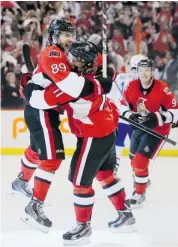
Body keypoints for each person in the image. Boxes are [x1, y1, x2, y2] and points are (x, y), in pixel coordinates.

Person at [24, 41, 136, 245]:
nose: (68, 60)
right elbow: (104, 65)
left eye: (73, 59)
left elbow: (38, 100)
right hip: (109, 129)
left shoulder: (73, 87)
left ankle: (83, 227)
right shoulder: (98, 70)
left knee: (80, 182)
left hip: (93, 135)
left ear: (83, 64)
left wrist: (30, 84)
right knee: (105, 174)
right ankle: (125, 215)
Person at [11, 19, 108, 233]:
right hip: (40, 109)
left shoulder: (67, 53)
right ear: (54, 37)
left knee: (39, 150)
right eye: (65, 34)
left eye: (71, 34)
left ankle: (21, 182)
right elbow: (71, 86)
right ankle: (34, 206)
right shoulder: (53, 54)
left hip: (47, 109)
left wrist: (101, 65)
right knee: (52, 157)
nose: (70, 39)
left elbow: (90, 58)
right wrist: (98, 84)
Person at [120, 58, 178, 206]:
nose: (143, 74)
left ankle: (139, 193)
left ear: (152, 72)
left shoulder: (162, 88)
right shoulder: (131, 86)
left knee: (139, 162)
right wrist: (130, 115)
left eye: (147, 70)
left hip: (157, 130)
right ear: (137, 72)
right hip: (139, 128)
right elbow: (121, 106)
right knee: (134, 161)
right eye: (141, 71)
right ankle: (143, 179)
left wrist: (158, 118)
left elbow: (175, 112)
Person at [109, 54, 146, 170]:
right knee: (137, 149)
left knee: (117, 145)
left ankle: (114, 170)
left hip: (120, 117)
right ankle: (138, 173)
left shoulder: (120, 77)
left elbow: (111, 97)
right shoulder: (142, 80)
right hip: (135, 120)